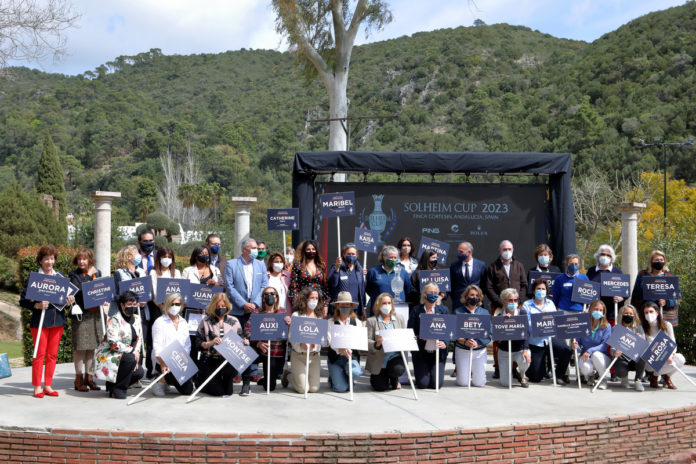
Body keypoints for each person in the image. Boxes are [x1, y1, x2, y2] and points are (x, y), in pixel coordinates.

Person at [19, 245, 76, 398]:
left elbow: (63, 300)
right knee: (39, 354)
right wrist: (36, 305)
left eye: (52, 259)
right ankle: (37, 386)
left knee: (52, 355)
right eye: (46, 259)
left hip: (58, 321)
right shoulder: (34, 278)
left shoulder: (60, 277)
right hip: (40, 322)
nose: (50, 262)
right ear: (40, 260)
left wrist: (69, 301)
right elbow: (23, 301)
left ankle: (48, 385)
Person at [484, 240, 527, 379]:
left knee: (515, 335)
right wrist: (500, 303)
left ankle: (514, 367)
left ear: (513, 250)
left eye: (509, 248)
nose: (507, 251)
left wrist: (517, 302)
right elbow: (488, 287)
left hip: (516, 306)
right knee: (499, 338)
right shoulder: (492, 267)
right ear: (499, 251)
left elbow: (524, 285)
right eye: (504, 249)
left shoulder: (519, 265)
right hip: (498, 307)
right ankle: (498, 367)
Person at [196, 293, 253, 396]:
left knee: (228, 392)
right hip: (211, 359)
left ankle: (240, 382)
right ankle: (203, 382)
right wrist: (210, 343)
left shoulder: (234, 321)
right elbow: (198, 343)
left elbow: (241, 338)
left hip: (228, 361)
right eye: (218, 306)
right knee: (219, 392)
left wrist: (245, 341)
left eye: (223, 306)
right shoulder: (205, 321)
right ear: (213, 306)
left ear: (227, 306)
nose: (221, 308)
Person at [94, 291, 144, 399]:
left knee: (139, 372)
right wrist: (131, 351)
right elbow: (113, 343)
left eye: (134, 304)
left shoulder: (137, 318)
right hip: (111, 353)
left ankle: (113, 385)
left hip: (128, 354)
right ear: (122, 305)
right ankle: (119, 389)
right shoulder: (115, 319)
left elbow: (139, 338)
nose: (132, 307)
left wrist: (137, 352)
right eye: (129, 304)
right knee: (130, 359)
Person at [522, 280, 572, 384]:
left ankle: (558, 375)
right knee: (536, 377)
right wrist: (540, 319)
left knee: (566, 350)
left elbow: (556, 321)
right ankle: (540, 368)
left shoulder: (551, 304)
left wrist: (549, 318)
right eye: (538, 289)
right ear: (533, 291)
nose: (541, 291)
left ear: (546, 291)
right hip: (535, 342)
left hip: (549, 339)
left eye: (543, 289)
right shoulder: (527, 305)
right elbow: (525, 325)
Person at [68, 248, 103, 392]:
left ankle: (89, 378)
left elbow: (101, 289)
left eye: (84, 259)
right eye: (79, 259)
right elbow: (79, 290)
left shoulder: (98, 273)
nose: (82, 261)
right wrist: (88, 276)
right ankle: (78, 379)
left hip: (96, 315)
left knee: (92, 347)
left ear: (90, 260)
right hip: (81, 315)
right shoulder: (74, 275)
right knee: (81, 347)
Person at [245, 286, 289, 391]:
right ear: (263, 298)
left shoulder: (282, 313)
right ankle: (246, 382)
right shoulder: (256, 313)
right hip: (262, 351)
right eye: (266, 294)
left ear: (277, 297)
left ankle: (270, 378)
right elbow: (247, 331)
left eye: (272, 294)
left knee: (270, 387)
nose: (270, 296)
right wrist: (258, 343)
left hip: (276, 352)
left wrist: (290, 324)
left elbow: (288, 334)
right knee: (245, 352)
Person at [151, 293, 194, 396]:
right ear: (166, 305)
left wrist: (182, 360)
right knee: (171, 374)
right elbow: (157, 346)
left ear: (182, 305)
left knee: (188, 390)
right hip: (162, 360)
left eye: (177, 304)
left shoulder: (184, 322)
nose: (175, 307)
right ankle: (160, 381)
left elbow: (187, 345)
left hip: (179, 360)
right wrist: (163, 362)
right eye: (172, 304)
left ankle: (169, 380)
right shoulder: (159, 322)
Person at [224, 238, 269, 334]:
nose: (256, 251)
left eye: (257, 248)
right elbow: (229, 287)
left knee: (253, 340)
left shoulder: (260, 265)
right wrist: (243, 304)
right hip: (237, 311)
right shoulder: (231, 264)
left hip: (255, 310)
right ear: (245, 249)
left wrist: (255, 303)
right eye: (254, 248)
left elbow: (264, 285)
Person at [408, 282, 448, 389]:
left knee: (436, 384)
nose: (434, 295)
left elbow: (449, 331)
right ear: (424, 294)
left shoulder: (444, 310)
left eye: (436, 292)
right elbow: (410, 330)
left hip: (438, 353)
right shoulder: (416, 310)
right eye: (431, 292)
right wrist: (420, 336)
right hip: (421, 353)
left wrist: (445, 343)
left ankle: (434, 371)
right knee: (423, 384)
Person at [148, 245, 180, 378]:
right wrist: (162, 305)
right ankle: (155, 368)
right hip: (158, 309)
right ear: (158, 258)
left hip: (174, 310)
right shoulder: (153, 273)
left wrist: (173, 306)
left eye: (169, 257)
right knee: (157, 339)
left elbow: (180, 290)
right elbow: (155, 292)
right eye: (163, 257)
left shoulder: (176, 273)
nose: (166, 259)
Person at [366, 293, 406, 391]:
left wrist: (409, 339)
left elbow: (404, 335)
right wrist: (376, 344)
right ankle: (381, 377)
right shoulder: (371, 321)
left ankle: (394, 378)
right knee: (380, 387)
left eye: (389, 303)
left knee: (397, 370)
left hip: (394, 357)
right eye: (384, 303)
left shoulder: (399, 318)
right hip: (379, 359)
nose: (387, 305)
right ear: (378, 305)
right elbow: (366, 341)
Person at [288, 287, 325, 394]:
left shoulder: (319, 317)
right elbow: (291, 337)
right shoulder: (296, 315)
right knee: (303, 389)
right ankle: (290, 376)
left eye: (316, 298)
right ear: (305, 299)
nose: (314, 300)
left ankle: (303, 378)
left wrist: (324, 342)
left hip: (314, 357)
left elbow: (321, 337)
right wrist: (300, 343)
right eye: (311, 297)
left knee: (314, 389)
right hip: (299, 356)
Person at [641, 301, 685, 389]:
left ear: (657, 312)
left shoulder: (667, 325)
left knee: (680, 359)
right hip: (650, 360)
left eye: (651, 311)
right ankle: (654, 375)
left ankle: (665, 377)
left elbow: (673, 343)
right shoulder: (642, 327)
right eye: (646, 312)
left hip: (665, 356)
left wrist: (669, 354)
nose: (649, 314)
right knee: (660, 362)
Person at [453, 285, 491, 387]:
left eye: (476, 295)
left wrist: (478, 343)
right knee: (463, 383)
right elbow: (454, 333)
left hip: (479, 351)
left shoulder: (484, 313)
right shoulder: (458, 312)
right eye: (471, 295)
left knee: (479, 383)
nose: (474, 297)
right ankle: (462, 373)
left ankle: (475, 373)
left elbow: (489, 335)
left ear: (479, 298)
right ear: (466, 297)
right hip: (463, 350)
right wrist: (465, 342)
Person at [631, 250, 680, 327]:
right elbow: (635, 295)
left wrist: (667, 301)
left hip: (664, 316)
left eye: (661, 260)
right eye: (656, 260)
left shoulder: (669, 277)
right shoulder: (642, 275)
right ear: (651, 261)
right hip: (646, 315)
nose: (659, 262)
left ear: (664, 262)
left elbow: (677, 297)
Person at [327, 292, 363, 393]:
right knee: (341, 388)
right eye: (342, 304)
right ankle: (334, 378)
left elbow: (359, 340)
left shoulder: (357, 322)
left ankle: (345, 377)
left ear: (351, 306)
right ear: (337, 306)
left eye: (347, 304)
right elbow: (330, 341)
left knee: (355, 372)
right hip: (336, 358)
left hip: (351, 358)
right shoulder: (330, 322)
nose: (344, 306)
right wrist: (341, 349)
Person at [572, 300, 612, 389]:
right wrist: (575, 346)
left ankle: (603, 379)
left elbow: (604, 346)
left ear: (603, 312)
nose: (598, 312)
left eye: (601, 310)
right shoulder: (583, 324)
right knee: (585, 367)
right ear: (590, 310)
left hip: (602, 357)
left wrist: (590, 351)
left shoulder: (607, 326)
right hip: (586, 356)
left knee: (596, 355)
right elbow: (578, 344)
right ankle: (590, 376)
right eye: (596, 309)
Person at [496, 288, 530, 388]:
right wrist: (504, 323)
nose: (513, 302)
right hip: (505, 352)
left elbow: (527, 333)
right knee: (506, 384)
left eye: (515, 300)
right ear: (504, 301)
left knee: (525, 360)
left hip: (519, 350)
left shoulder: (522, 313)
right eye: (510, 300)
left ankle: (522, 374)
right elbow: (498, 341)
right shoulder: (498, 317)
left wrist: (525, 349)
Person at [366, 246, 412, 317]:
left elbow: (408, 290)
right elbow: (368, 289)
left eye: (395, 258)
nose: (393, 260)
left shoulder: (402, 273)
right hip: (378, 311)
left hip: (398, 311)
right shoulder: (373, 272)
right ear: (384, 258)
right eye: (391, 257)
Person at [288, 240, 329, 315]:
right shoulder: (298, 265)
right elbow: (293, 286)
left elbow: (325, 286)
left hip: (318, 302)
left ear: (316, 251)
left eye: (313, 249)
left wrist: (326, 304)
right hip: (302, 303)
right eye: (308, 249)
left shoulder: (321, 265)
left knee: (317, 325)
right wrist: (295, 303)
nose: (311, 251)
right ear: (304, 251)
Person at [586, 244, 624, 324]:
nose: (605, 256)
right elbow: (585, 288)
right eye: (602, 254)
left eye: (608, 255)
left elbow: (626, 292)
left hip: (611, 313)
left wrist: (621, 297)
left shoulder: (618, 272)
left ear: (612, 258)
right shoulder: (591, 271)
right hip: (594, 312)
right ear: (598, 256)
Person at [612, 305, 645, 391]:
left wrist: (640, 339)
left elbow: (645, 345)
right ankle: (624, 377)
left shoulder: (638, 328)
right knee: (620, 371)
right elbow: (612, 347)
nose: (628, 315)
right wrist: (615, 351)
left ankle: (638, 380)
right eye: (626, 313)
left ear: (634, 315)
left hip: (634, 359)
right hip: (622, 359)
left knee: (642, 356)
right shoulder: (616, 328)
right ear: (621, 314)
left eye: (631, 313)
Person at [328, 244, 366, 320]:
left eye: (353, 254)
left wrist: (364, 308)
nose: (351, 256)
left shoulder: (359, 270)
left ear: (357, 255)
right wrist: (337, 269)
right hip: (339, 308)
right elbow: (332, 284)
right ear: (344, 254)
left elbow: (362, 291)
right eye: (348, 254)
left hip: (355, 309)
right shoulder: (336, 266)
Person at [450, 242, 486, 311]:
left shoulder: (481, 265)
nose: (458, 254)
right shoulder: (454, 265)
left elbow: (484, 284)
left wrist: (476, 296)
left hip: (476, 304)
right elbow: (451, 284)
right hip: (458, 303)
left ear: (469, 252)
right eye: (458, 251)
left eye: (461, 252)